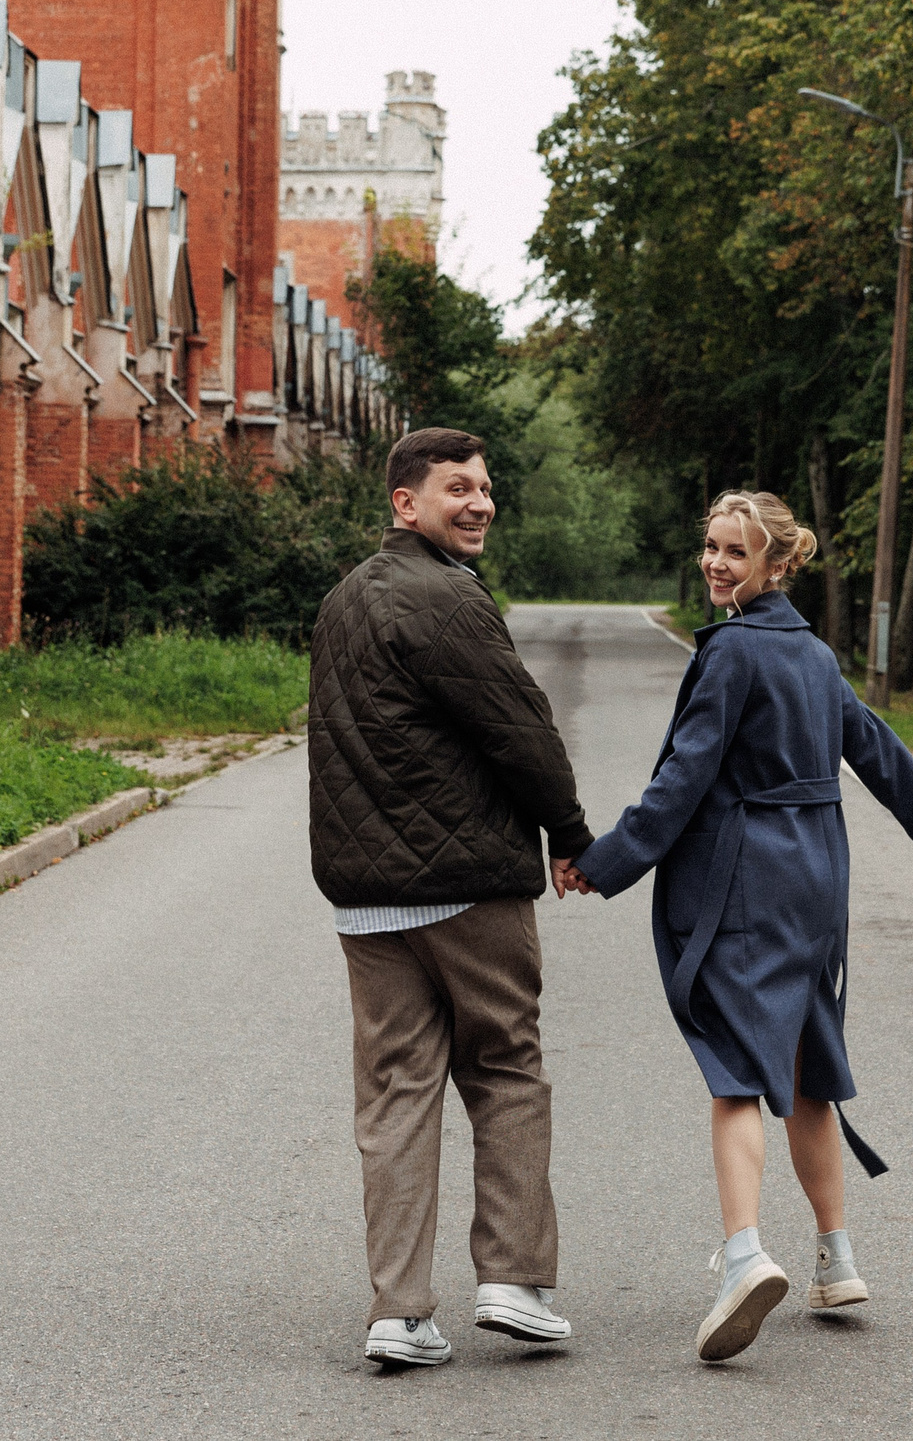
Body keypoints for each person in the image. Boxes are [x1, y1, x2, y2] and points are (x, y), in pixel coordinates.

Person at [554, 490, 913, 1362]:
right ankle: (836, 1256)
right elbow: (880, 752)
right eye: (710, 547)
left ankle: (744, 1255)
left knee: (736, 1072)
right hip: (817, 879)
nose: (715, 564)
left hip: (745, 880)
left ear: (776, 566)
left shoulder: (732, 653)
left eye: (735, 553)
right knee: (806, 1064)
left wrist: (603, 863)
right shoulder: (815, 655)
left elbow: (682, 779)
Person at [309, 426, 595, 1368]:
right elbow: (521, 730)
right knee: (506, 1066)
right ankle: (512, 1281)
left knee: (396, 1093)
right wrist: (572, 834)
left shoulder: (343, 601)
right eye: (457, 490)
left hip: (366, 901)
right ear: (406, 504)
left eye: (484, 489)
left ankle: (399, 1309)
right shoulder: (449, 597)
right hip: (468, 885)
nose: (479, 504)